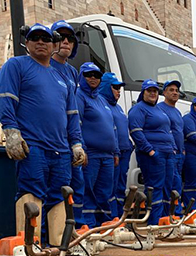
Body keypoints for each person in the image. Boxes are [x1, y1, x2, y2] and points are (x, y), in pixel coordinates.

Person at [0, 23, 85, 246]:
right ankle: (28, 246)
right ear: (26, 43)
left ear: (53, 44)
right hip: (33, 146)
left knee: (59, 195)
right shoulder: (16, 66)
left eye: (45, 39)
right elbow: (6, 98)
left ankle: (56, 246)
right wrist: (12, 132)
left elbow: (72, 115)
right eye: (34, 38)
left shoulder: (62, 78)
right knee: (31, 192)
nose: (40, 42)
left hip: (60, 151)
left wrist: (76, 144)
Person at [50, 20, 85, 227]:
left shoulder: (72, 72)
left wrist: (77, 143)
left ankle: (76, 228)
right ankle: (49, 236)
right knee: (53, 189)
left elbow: (73, 111)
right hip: (50, 139)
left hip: (68, 140)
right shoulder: (45, 66)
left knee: (76, 185)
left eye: (70, 38)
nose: (65, 41)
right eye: (60, 37)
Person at [76, 63, 118, 227]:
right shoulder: (79, 95)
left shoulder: (101, 99)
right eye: (89, 75)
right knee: (88, 190)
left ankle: (104, 224)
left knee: (104, 192)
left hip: (107, 156)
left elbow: (111, 126)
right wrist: (82, 148)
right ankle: (88, 225)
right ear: (82, 76)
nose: (93, 78)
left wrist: (115, 152)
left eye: (97, 75)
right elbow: (76, 123)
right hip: (91, 154)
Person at [128, 79, 176, 224]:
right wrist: (150, 151)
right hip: (154, 155)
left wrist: (173, 148)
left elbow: (167, 130)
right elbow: (136, 132)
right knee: (155, 187)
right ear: (143, 92)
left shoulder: (158, 109)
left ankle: (165, 220)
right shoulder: (138, 109)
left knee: (168, 186)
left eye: (155, 91)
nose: (153, 93)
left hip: (167, 153)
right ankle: (154, 223)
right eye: (150, 91)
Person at [98, 72, 132, 217]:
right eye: (115, 87)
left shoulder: (117, 107)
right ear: (106, 86)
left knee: (120, 187)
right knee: (108, 188)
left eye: (120, 87)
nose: (119, 90)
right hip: (111, 154)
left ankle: (118, 217)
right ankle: (110, 217)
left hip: (124, 152)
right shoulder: (101, 102)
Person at [158, 80, 185, 215]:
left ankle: (176, 212)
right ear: (164, 93)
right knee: (169, 184)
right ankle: (170, 213)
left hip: (180, 154)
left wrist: (183, 149)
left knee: (177, 184)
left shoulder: (178, 112)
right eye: (171, 90)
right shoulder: (160, 109)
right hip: (168, 153)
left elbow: (180, 132)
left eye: (176, 90)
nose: (175, 93)